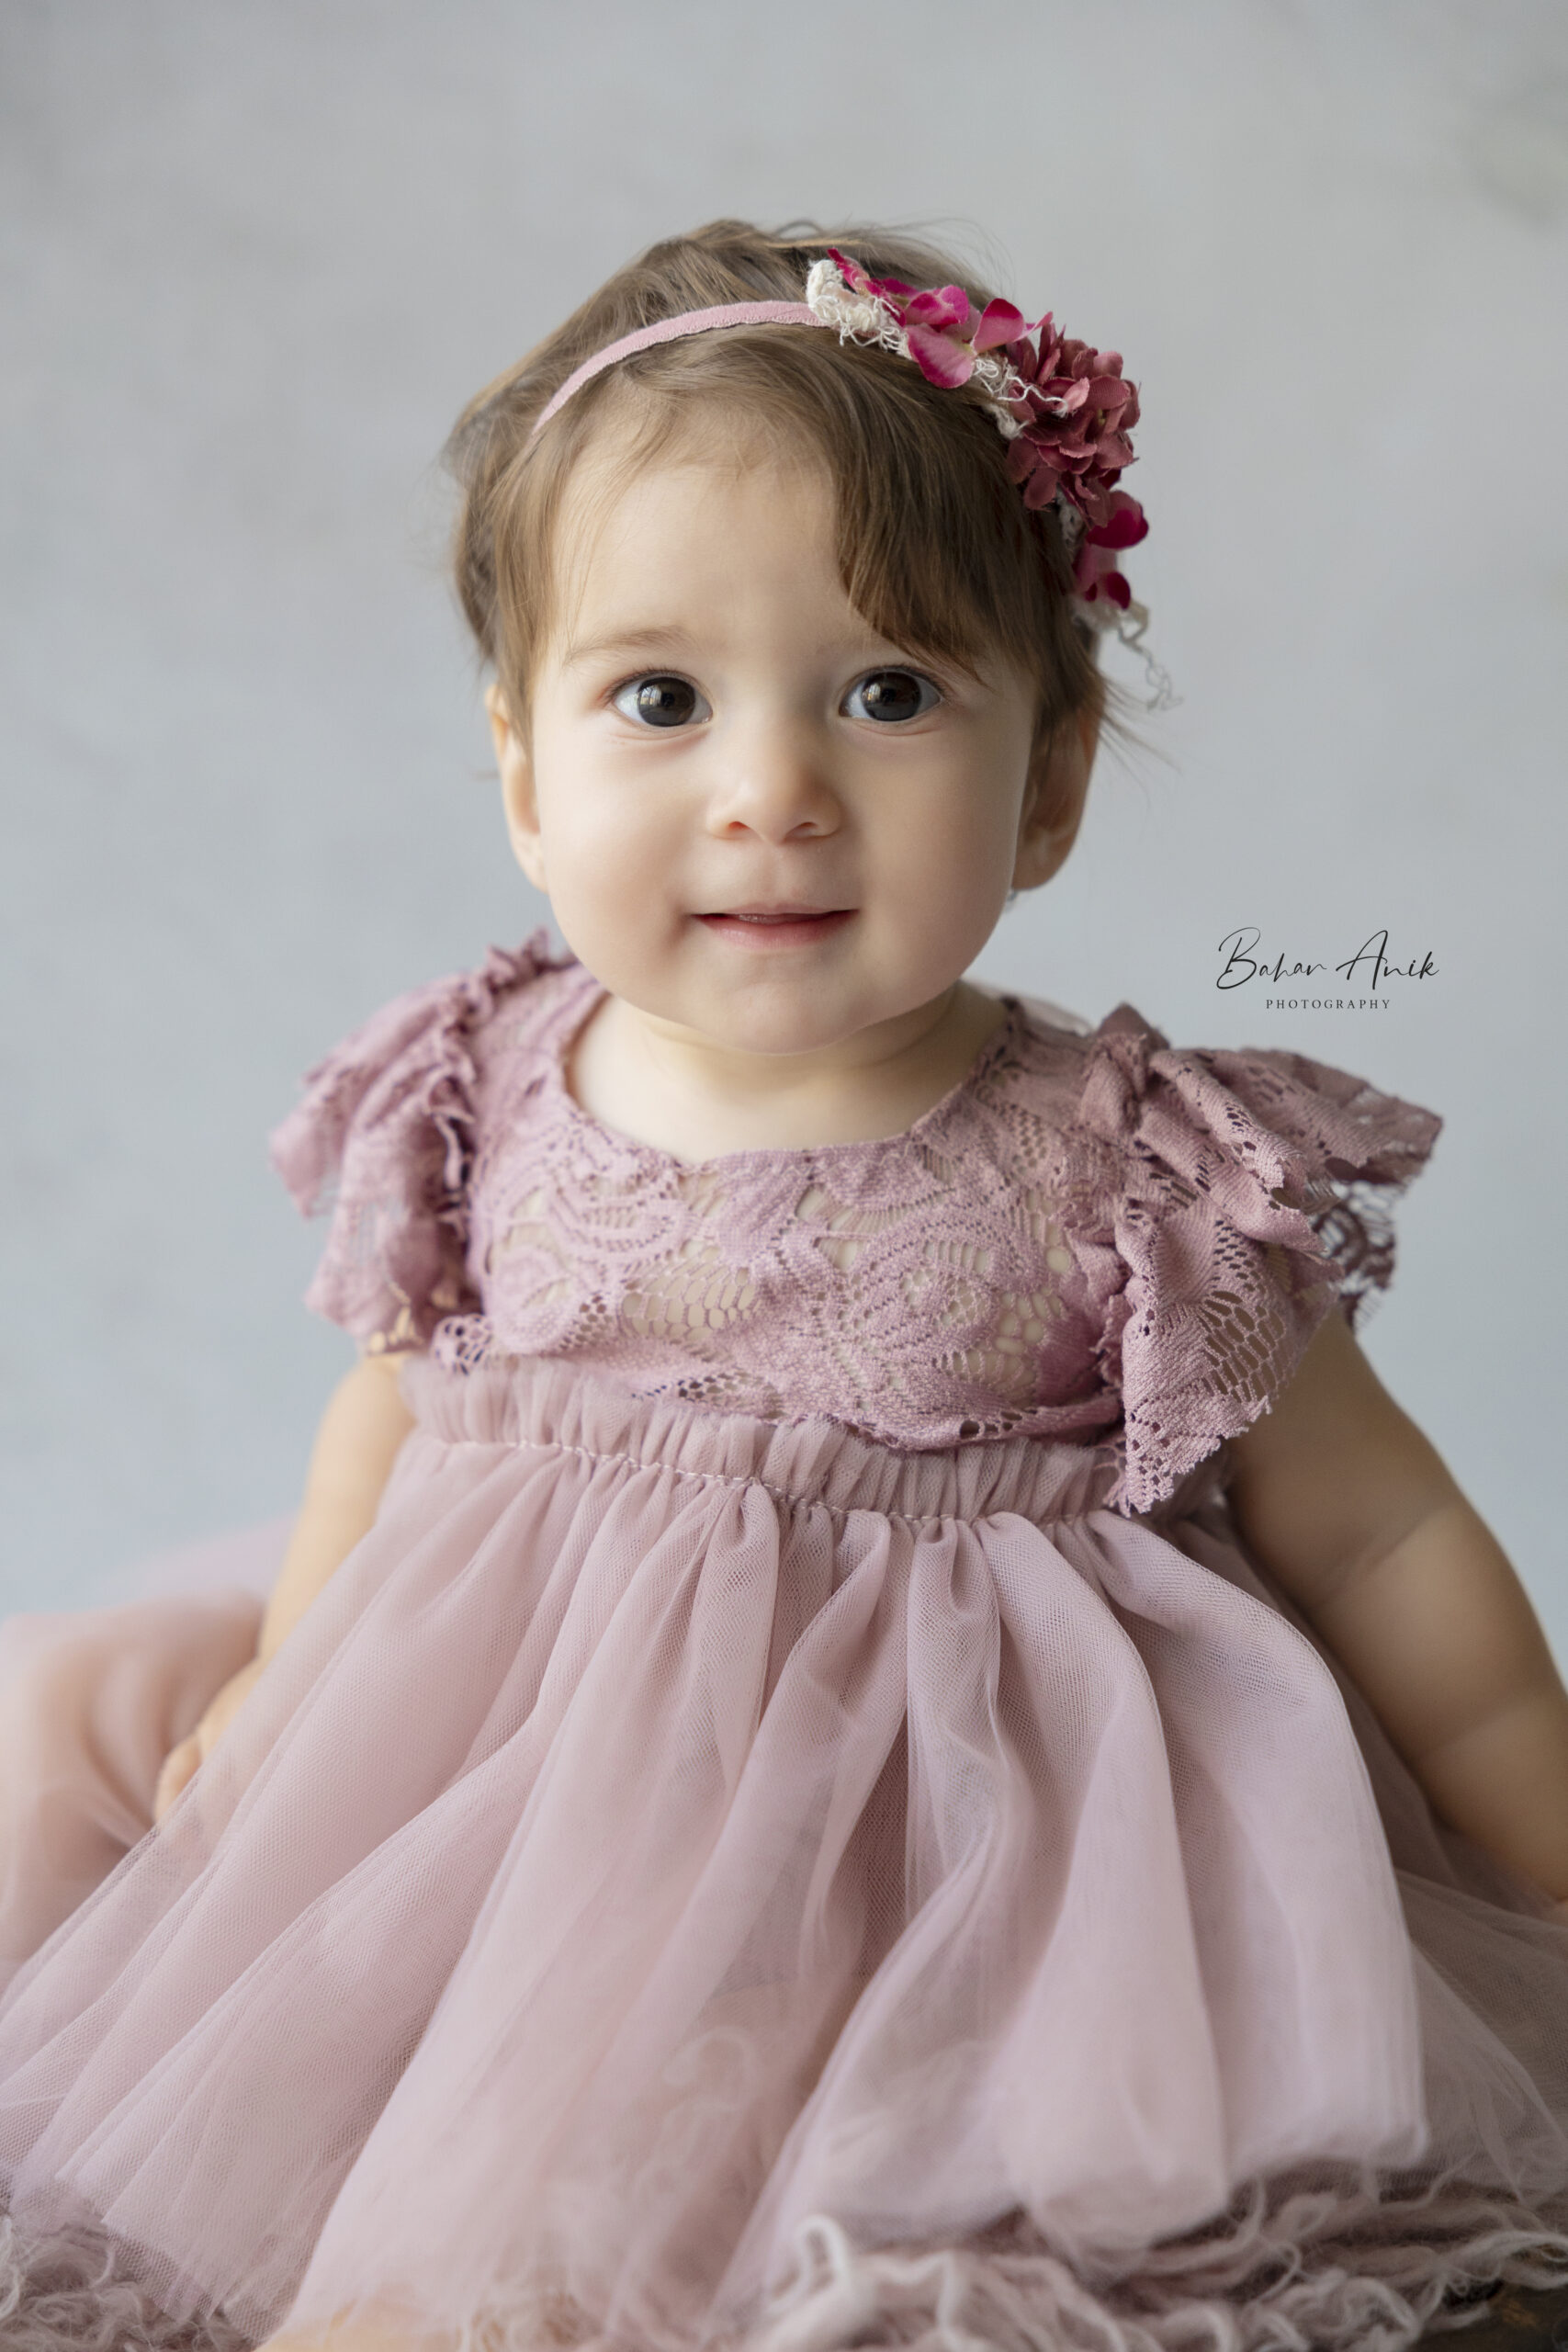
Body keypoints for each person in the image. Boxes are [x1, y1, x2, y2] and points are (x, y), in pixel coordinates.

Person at [2, 219, 1566, 2352]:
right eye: (660, 697)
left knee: (917, 2254)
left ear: (1050, 779)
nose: (770, 792)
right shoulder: (482, 1079)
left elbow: (1369, 1526)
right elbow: (397, 1391)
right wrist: (288, 1673)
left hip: (968, 1887)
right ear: (525, 771)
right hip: (519, 1839)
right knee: (427, 2195)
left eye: (887, 692)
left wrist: (1525, 1816)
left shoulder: (1127, 1165)